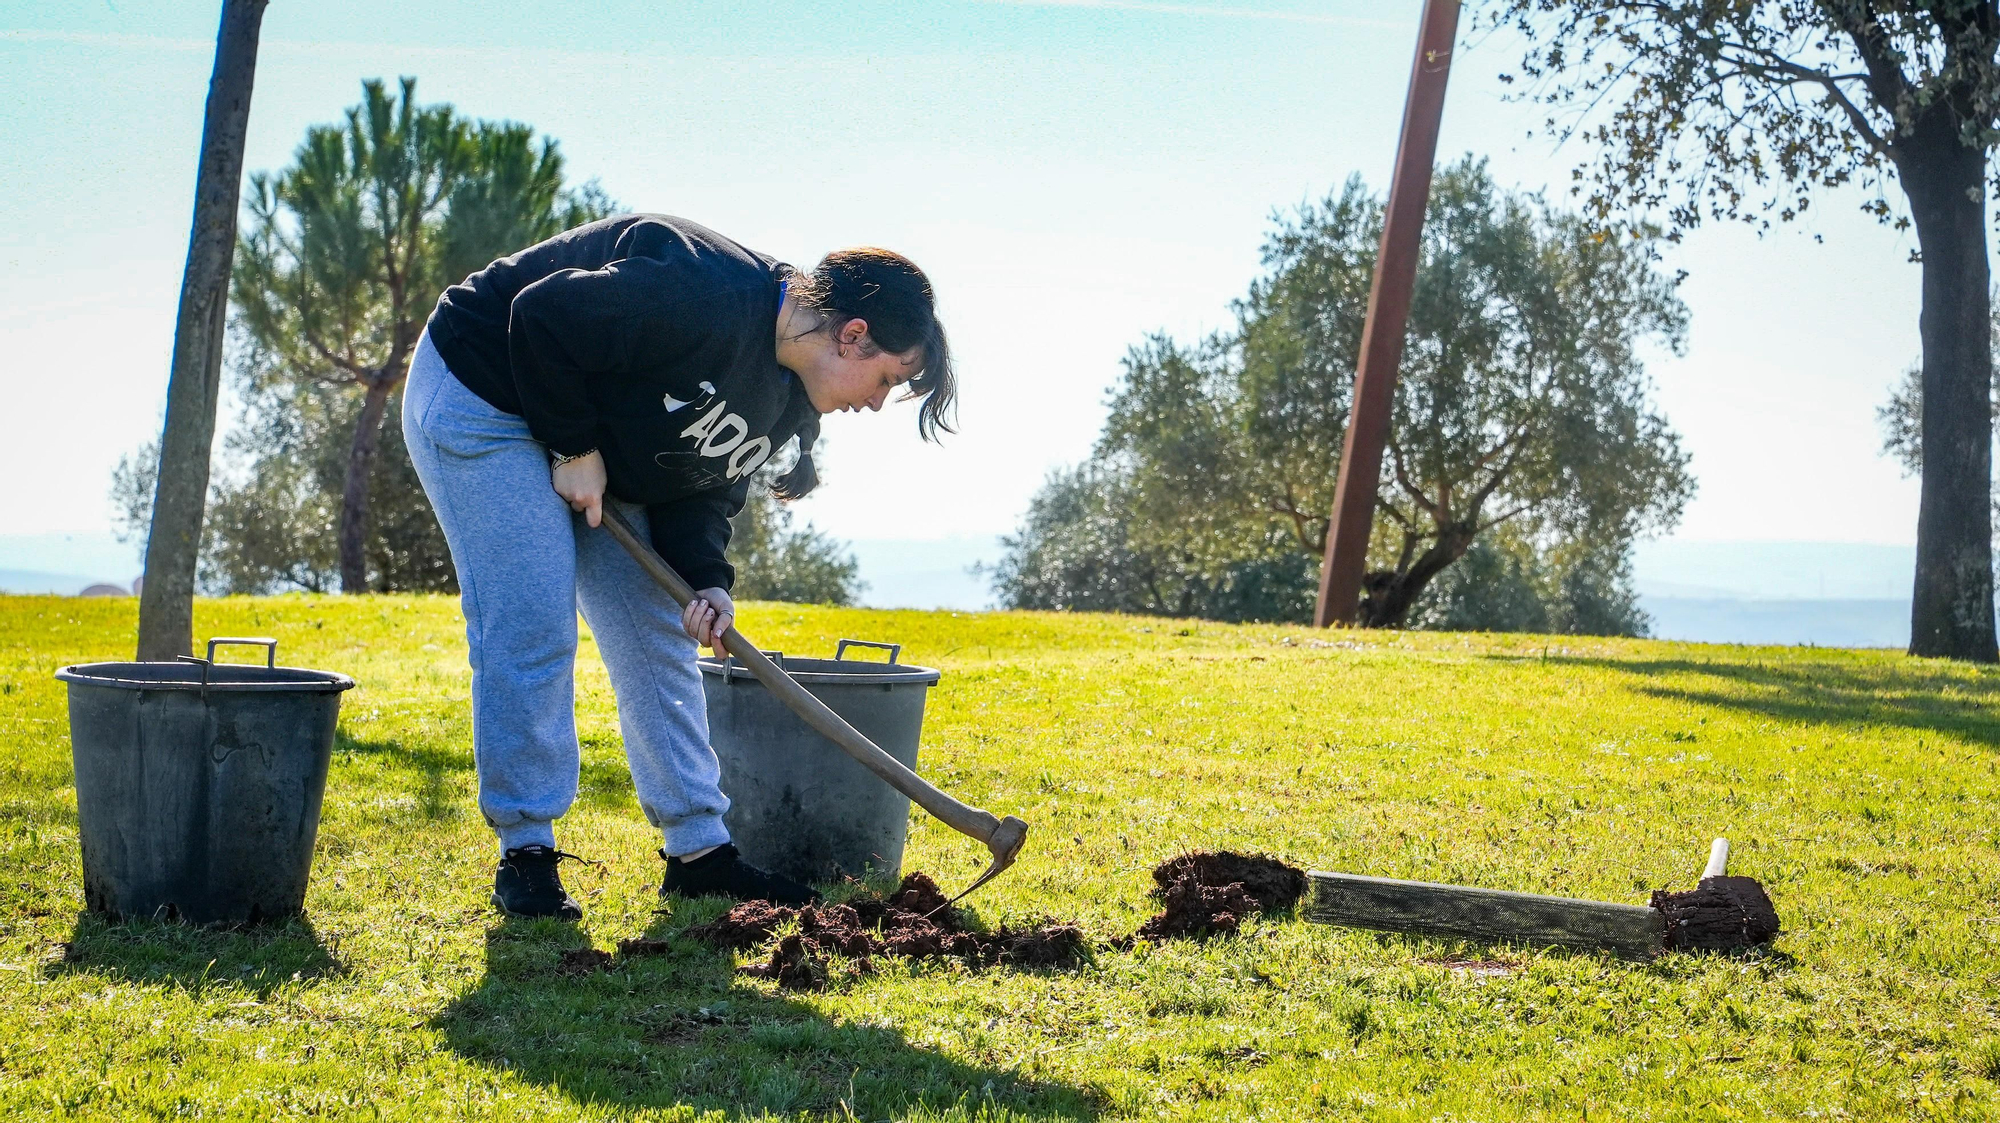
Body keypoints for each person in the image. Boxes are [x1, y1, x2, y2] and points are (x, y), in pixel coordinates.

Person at [401, 214, 954, 919]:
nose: (875, 403)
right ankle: (527, 853)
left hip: (599, 424)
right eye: (885, 379)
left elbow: (706, 481)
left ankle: (700, 855)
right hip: (486, 383)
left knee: (658, 630)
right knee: (533, 618)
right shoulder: (705, 292)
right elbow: (539, 316)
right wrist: (571, 448)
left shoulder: (792, 399)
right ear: (853, 334)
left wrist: (707, 581)